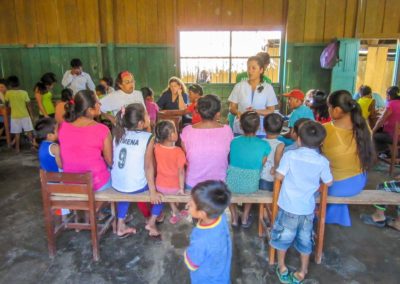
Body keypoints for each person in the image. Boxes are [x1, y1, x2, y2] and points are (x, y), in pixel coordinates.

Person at [271, 120, 333, 284]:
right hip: (307, 210)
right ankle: (303, 270)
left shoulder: (290, 155)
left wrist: (276, 171)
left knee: (283, 238)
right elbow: (329, 182)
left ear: (298, 139)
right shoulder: (322, 161)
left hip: (287, 207)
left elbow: (279, 176)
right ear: (320, 143)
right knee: (305, 240)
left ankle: (282, 267)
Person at [322, 90, 373, 226]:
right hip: (359, 181)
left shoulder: (326, 130)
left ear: (337, 110)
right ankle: (337, 215)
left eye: (329, 107)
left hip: (336, 186)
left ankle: (322, 215)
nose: (328, 110)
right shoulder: (363, 126)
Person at [111, 103, 162, 238]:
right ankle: (151, 222)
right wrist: (153, 192)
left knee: (125, 189)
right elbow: (148, 166)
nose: (149, 117)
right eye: (146, 115)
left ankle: (121, 224)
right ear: (140, 123)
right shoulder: (147, 138)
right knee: (162, 190)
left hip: (117, 183)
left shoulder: (118, 133)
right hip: (136, 186)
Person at [58, 90, 112, 192]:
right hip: (96, 184)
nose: (100, 104)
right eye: (97, 102)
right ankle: (106, 207)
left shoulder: (63, 126)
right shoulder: (102, 129)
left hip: (70, 183)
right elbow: (110, 161)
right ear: (90, 110)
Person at [226, 111, 271, 228]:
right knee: (252, 185)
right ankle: (245, 218)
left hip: (232, 183)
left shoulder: (234, 142)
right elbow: (262, 163)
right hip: (251, 184)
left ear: (240, 126)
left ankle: (234, 218)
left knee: (229, 188)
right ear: (259, 127)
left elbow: (230, 159)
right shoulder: (265, 145)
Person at [181, 95, 233, 189]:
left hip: (193, 184)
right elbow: (229, 155)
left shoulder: (187, 131)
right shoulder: (227, 130)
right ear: (218, 114)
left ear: (199, 113)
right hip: (220, 183)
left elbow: (186, 156)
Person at [184, 180, 232, 284]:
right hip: (221, 274)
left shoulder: (201, 240)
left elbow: (192, 264)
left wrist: (186, 253)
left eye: (191, 204)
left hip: (205, 279)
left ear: (202, 214)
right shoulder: (220, 216)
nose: (187, 205)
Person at [228, 56, 278, 137]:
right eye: (248, 68)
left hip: (260, 130)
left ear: (261, 70)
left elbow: (271, 110)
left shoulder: (268, 88)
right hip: (241, 128)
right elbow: (232, 107)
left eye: (253, 68)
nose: (250, 71)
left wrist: (256, 111)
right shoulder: (239, 86)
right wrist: (238, 113)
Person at [35, 117, 70, 217]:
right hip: (56, 180)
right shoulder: (55, 147)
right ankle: (64, 213)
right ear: (49, 135)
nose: (59, 131)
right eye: (56, 130)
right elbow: (60, 165)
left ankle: (59, 211)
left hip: (46, 180)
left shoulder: (41, 145)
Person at [154, 120, 187, 224]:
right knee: (175, 191)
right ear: (171, 136)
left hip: (159, 186)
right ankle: (175, 211)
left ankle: (175, 211)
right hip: (174, 187)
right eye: (176, 131)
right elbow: (181, 172)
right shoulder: (178, 151)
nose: (178, 133)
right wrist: (181, 189)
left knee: (168, 193)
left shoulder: (156, 147)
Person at [4, 75, 34, 153]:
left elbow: (6, 103)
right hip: (25, 115)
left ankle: (17, 148)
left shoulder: (8, 93)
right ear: (18, 83)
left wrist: (7, 105)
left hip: (15, 117)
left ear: (9, 85)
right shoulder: (24, 93)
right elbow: (29, 104)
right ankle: (33, 146)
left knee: (17, 133)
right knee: (29, 132)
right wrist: (31, 114)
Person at [371, 86, 400, 156]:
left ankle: (374, 156)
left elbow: (381, 120)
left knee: (373, 136)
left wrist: (372, 131)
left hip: (393, 136)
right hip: (397, 135)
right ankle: (392, 152)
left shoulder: (391, 104)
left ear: (389, 96)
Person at [259, 113, 285, 191]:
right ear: (281, 130)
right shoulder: (280, 145)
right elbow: (277, 162)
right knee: (269, 199)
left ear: (263, 128)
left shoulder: (260, 142)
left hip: (258, 176)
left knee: (261, 199)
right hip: (270, 177)